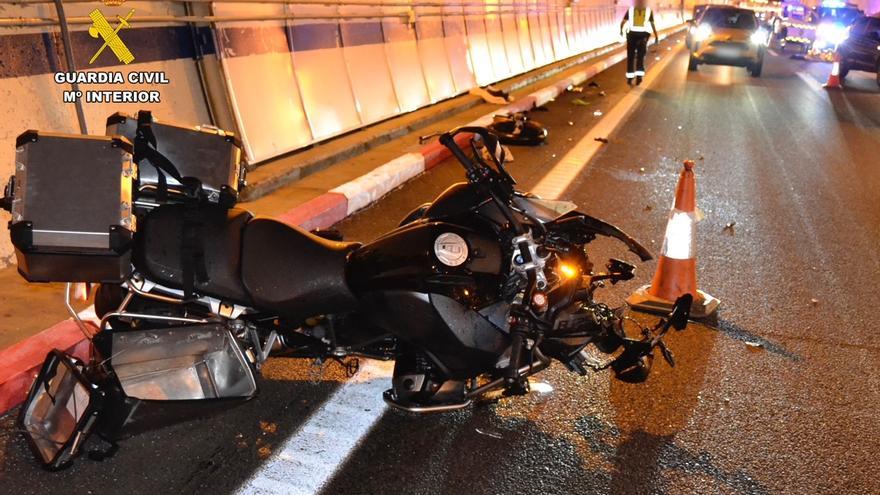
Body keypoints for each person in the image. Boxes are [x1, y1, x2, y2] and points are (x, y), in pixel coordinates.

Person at [619, 0, 659, 86]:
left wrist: (621, 31)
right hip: (642, 37)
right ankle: (639, 78)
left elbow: (623, 22)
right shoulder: (648, 11)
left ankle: (630, 78)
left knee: (631, 57)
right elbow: (652, 24)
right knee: (640, 57)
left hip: (631, 36)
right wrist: (656, 36)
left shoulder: (631, 10)